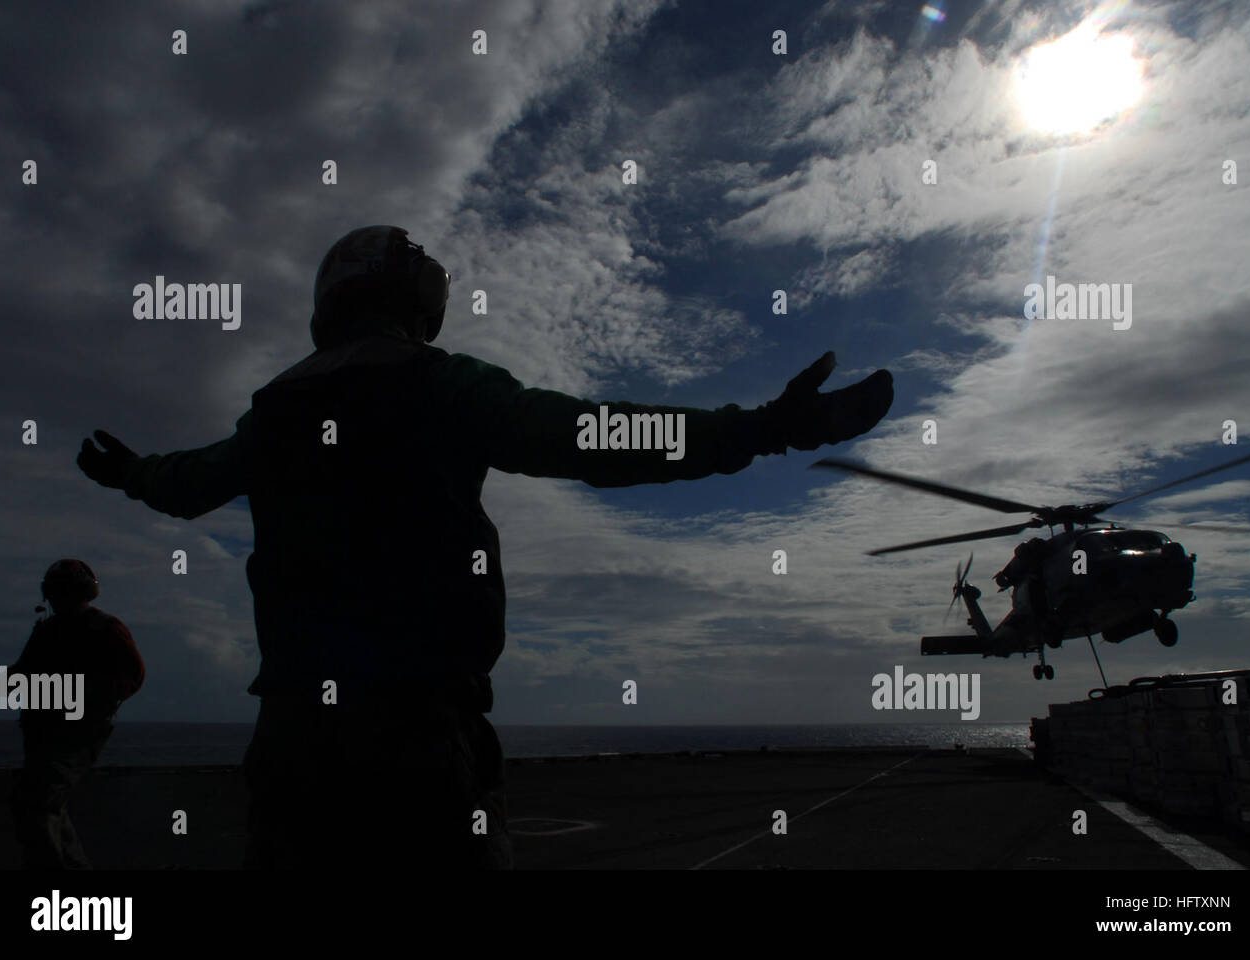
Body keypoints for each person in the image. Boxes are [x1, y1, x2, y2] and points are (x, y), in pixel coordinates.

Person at [76, 224, 894, 870]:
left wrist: (131, 474)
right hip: (421, 738)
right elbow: (601, 438)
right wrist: (760, 429)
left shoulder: (273, 415)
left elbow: (186, 483)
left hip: (295, 743)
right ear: (416, 303)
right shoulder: (443, 386)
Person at [8, 559, 146, 869]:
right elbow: (21, 673)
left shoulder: (105, 628)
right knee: (47, 805)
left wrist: (84, 699)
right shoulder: (48, 630)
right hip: (43, 732)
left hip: (75, 735)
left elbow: (131, 677)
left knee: (37, 803)